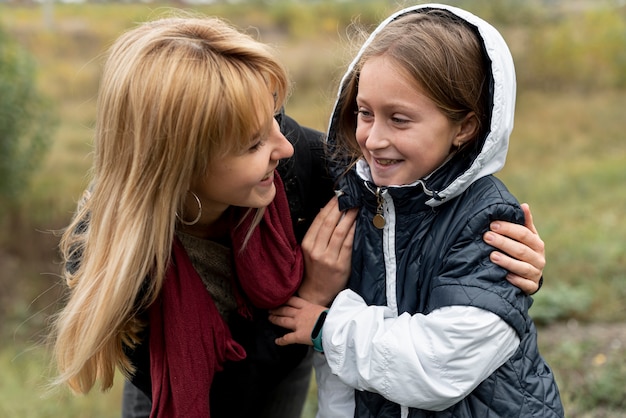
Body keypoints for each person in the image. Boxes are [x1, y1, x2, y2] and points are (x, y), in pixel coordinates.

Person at [49, 12, 547, 418]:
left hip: (284, 367)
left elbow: (421, 215)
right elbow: (222, 399)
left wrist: (509, 265)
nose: (284, 145)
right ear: (180, 164)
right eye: (252, 142)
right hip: (179, 389)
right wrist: (311, 296)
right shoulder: (112, 253)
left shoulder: (302, 166)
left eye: (274, 117)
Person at [269, 4, 564, 417]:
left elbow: (436, 367)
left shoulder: (489, 223)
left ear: (464, 127)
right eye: (365, 112)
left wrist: (327, 327)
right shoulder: (356, 196)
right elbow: (341, 376)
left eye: (400, 119)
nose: (373, 139)